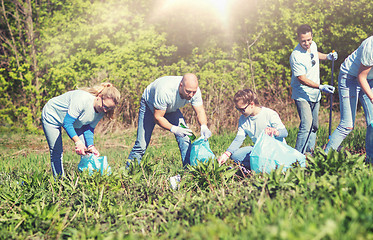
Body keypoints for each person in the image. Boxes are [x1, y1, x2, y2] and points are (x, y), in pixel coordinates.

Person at [128, 73, 212, 166]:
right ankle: (129, 173)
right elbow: (158, 117)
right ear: (181, 85)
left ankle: (188, 173)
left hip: (171, 109)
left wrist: (204, 126)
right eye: (188, 91)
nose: (191, 95)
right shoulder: (165, 90)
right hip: (150, 105)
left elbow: (200, 111)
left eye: (194, 92)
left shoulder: (194, 91)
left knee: (185, 138)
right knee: (141, 145)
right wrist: (174, 129)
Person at [41, 82, 121, 177]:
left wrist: (91, 146)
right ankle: (58, 181)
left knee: (87, 151)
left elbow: (88, 127)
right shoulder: (82, 99)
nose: (105, 110)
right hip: (53, 115)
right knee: (56, 151)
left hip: (75, 121)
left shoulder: (101, 111)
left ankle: (85, 178)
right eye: (105, 106)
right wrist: (78, 142)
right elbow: (67, 123)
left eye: (109, 108)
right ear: (99, 97)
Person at [290, 24, 338, 154]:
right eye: (303, 41)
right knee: (306, 125)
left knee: (314, 126)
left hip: (315, 94)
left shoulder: (313, 45)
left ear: (312, 36)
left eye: (309, 39)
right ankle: (296, 157)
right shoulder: (296, 56)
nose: (307, 43)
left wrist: (327, 56)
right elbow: (301, 79)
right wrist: (321, 87)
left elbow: (315, 54)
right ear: (298, 39)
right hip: (302, 95)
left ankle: (308, 153)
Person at [325, 35, 373, 159]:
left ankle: (370, 160)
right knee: (347, 125)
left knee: (372, 122)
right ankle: (323, 160)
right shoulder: (371, 46)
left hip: (370, 79)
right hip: (350, 77)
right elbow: (361, 77)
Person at [217, 89, 288, 171]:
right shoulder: (243, 119)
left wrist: (275, 131)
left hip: (276, 150)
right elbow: (238, 140)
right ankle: (253, 168)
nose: (240, 112)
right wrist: (226, 154)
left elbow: (285, 133)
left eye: (242, 109)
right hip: (259, 149)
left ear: (251, 104)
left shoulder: (269, 114)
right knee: (235, 156)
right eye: (238, 109)